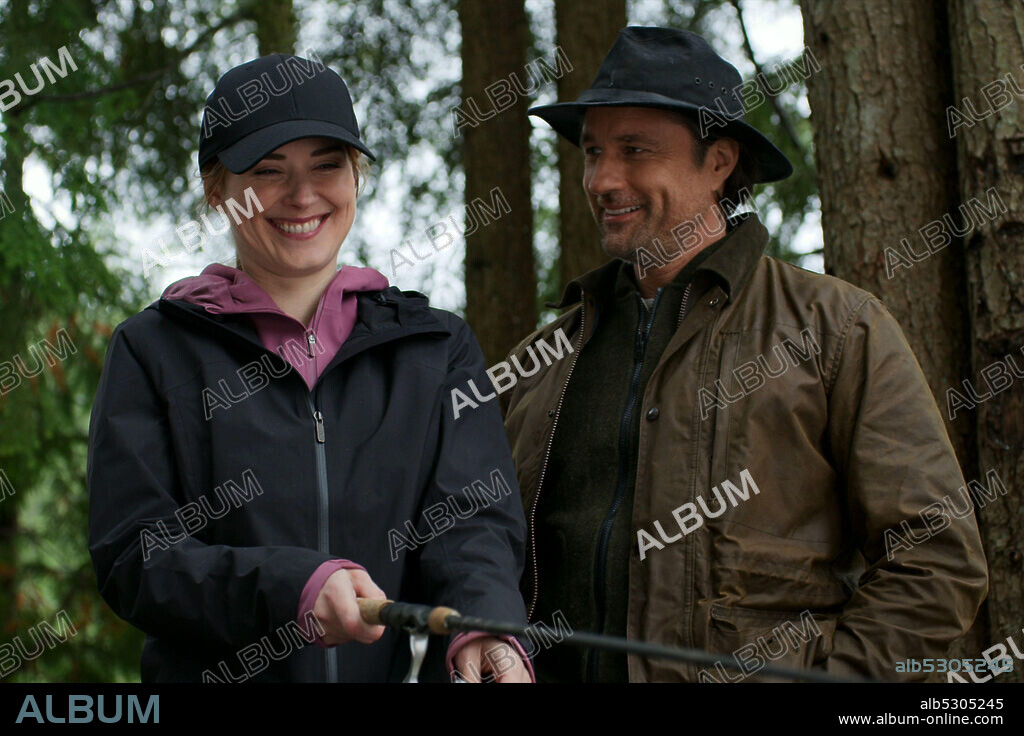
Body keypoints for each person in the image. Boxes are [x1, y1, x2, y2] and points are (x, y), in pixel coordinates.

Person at [499, 27, 988, 682]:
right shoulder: (541, 359)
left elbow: (937, 562)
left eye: (635, 151)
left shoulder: (836, 328)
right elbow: (472, 553)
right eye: (593, 152)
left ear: (721, 161)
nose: (603, 179)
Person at [88, 53, 532, 683]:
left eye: (327, 166)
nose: (302, 196)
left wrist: (484, 626)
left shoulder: (438, 349)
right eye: (268, 172)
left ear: (357, 177)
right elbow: (135, 557)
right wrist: (290, 586)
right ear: (217, 192)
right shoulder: (150, 350)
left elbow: (473, 525)